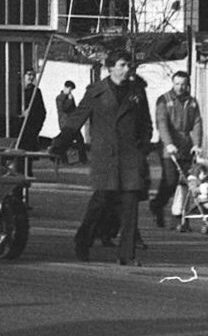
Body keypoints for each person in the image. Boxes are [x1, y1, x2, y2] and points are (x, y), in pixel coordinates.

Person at [63, 49, 152, 264]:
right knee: (101, 201)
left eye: (128, 65)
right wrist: (59, 144)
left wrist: (143, 145)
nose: (126, 69)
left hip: (130, 156)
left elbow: (145, 123)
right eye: (121, 65)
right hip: (106, 157)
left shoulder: (137, 91)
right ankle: (83, 240)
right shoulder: (96, 91)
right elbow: (76, 119)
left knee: (130, 205)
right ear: (110, 67)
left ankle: (126, 255)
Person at [149, 69, 202, 228]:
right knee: (171, 181)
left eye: (183, 84)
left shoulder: (192, 102)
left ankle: (180, 216)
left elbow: (197, 123)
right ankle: (157, 205)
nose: (180, 87)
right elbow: (162, 123)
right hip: (169, 147)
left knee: (187, 182)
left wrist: (197, 144)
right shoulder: (164, 100)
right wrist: (169, 143)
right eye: (177, 84)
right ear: (173, 83)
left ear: (188, 85)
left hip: (186, 145)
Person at [49, 80, 85, 164]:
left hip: (72, 123)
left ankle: (82, 159)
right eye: (69, 89)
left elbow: (74, 109)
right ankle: (62, 158)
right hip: (65, 123)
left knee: (78, 140)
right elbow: (64, 108)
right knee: (65, 142)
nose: (70, 91)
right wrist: (69, 100)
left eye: (71, 89)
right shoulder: (60, 98)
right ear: (65, 87)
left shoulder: (69, 97)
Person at [14, 67, 46, 151]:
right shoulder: (16, 90)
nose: (31, 77)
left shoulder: (36, 91)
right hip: (16, 127)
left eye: (33, 75)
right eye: (29, 74)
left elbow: (42, 112)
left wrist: (36, 127)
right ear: (23, 76)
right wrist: (20, 114)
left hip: (30, 129)